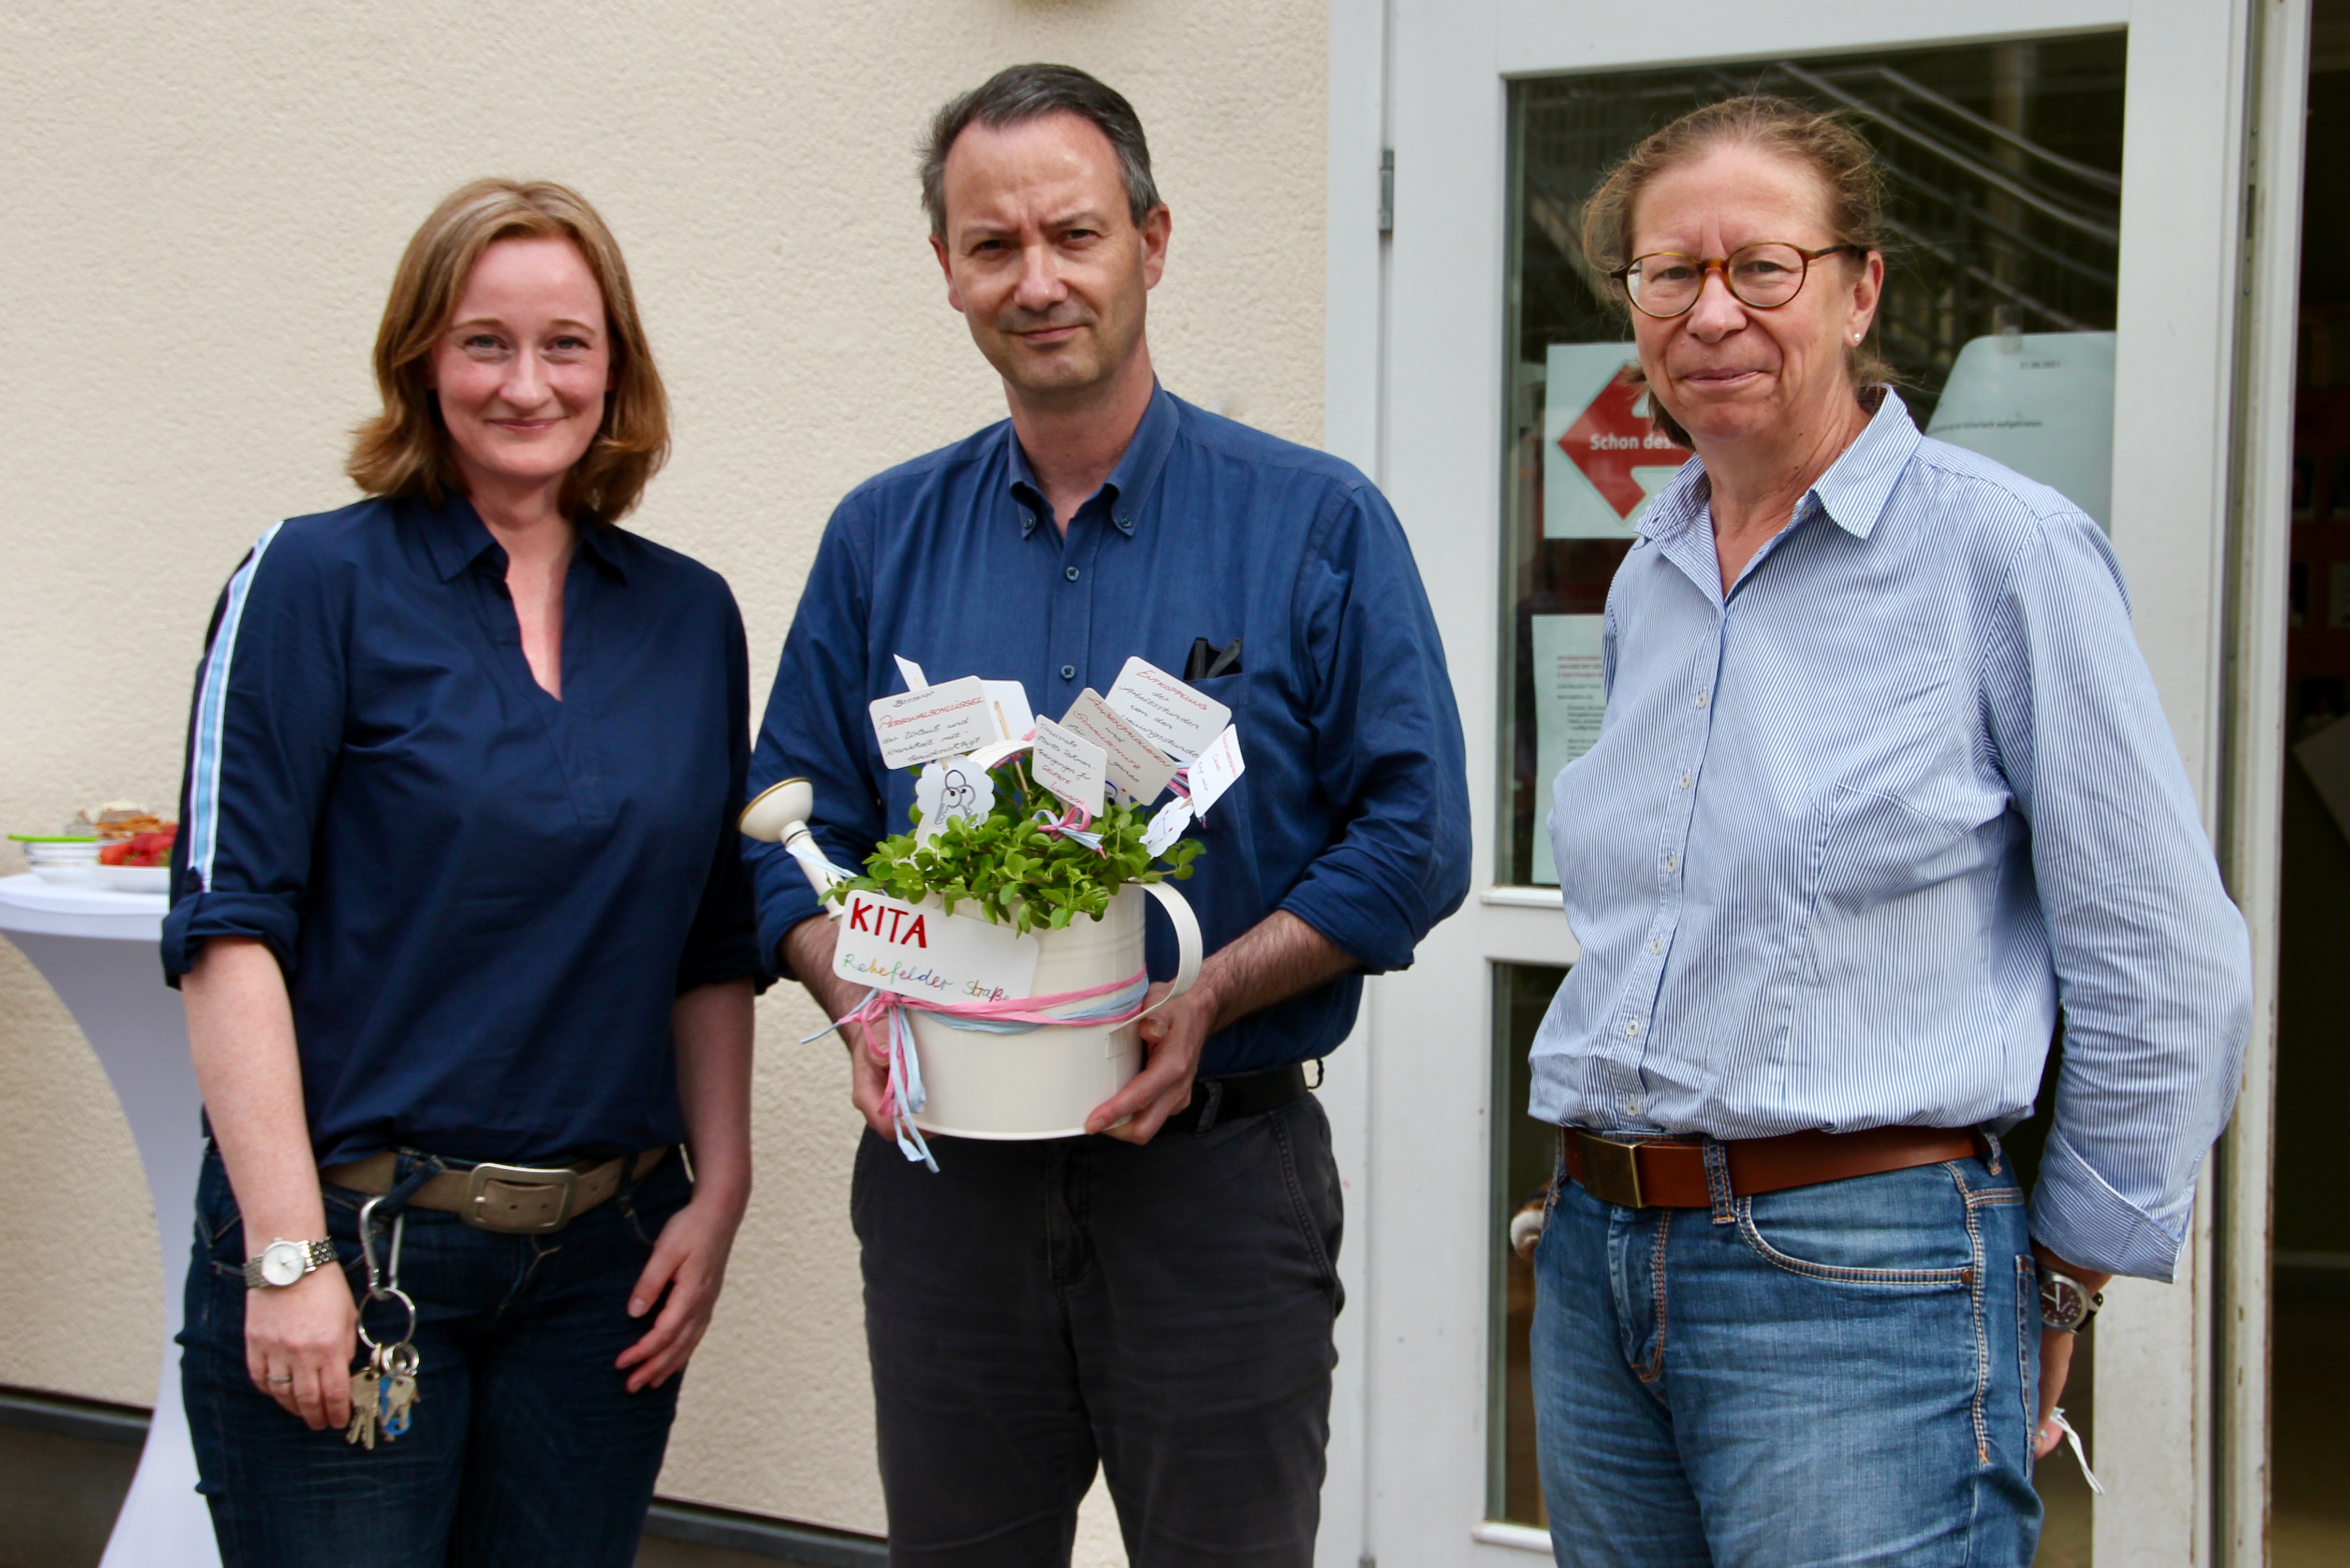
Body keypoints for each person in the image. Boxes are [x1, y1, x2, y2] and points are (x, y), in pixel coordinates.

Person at [746, 63, 1469, 1568]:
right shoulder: (881, 536)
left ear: (1152, 237)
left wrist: (1212, 988)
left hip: (1212, 1188)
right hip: (951, 1196)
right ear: (945, 272)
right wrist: (847, 984)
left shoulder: (1313, 524)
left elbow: (1416, 838)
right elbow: (770, 846)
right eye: (993, 246)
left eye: (1072, 234)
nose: (1038, 279)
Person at [1523, 95, 2253, 1566]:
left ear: (1858, 291)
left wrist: (2060, 1277)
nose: (1708, 311)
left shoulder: (1999, 553)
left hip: (1860, 1273)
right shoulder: (1653, 567)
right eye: (1669, 273)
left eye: (1760, 268)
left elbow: (2163, 955)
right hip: (1602, 1256)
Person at [165, 179, 762, 1567]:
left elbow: (711, 938)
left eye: (567, 342)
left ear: (616, 367)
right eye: (483, 341)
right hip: (362, 1250)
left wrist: (717, 1187)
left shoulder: (687, 614)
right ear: (420, 359)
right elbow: (229, 926)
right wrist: (285, 1252)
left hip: (603, 1270)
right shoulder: (312, 581)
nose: (525, 381)